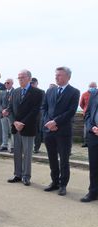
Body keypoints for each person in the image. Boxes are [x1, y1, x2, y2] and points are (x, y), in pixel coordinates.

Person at [42, 67, 80, 196]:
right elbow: (44, 108)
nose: (56, 77)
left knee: (64, 159)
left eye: (59, 75)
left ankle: (63, 185)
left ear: (68, 77)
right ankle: (55, 182)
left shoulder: (74, 92)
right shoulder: (50, 91)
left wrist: (56, 122)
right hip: (49, 131)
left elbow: (71, 111)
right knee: (52, 158)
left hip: (63, 131)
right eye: (56, 75)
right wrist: (49, 123)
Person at [5, 70, 43, 186]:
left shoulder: (37, 92)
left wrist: (22, 123)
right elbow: (10, 108)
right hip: (16, 127)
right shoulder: (15, 92)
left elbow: (35, 111)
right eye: (19, 77)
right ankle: (18, 174)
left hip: (28, 127)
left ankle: (26, 176)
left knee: (27, 153)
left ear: (29, 78)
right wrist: (15, 122)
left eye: (22, 77)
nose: (20, 79)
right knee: (16, 152)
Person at [81, 91, 98, 202]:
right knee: (94, 166)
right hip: (94, 135)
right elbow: (87, 115)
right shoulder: (94, 95)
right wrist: (92, 128)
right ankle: (93, 192)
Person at [0, 79, 14, 152]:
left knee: (12, 131)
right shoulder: (3, 92)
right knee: (4, 130)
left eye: (8, 83)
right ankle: (4, 145)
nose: (6, 84)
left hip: (11, 115)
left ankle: (13, 147)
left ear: (12, 83)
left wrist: (7, 110)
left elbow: (14, 103)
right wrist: (2, 110)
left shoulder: (15, 91)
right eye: (5, 83)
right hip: (3, 114)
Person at [30, 78, 45, 153]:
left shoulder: (41, 92)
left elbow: (43, 104)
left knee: (37, 131)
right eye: (31, 83)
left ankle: (36, 148)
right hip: (29, 115)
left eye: (33, 83)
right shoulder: (28, 92)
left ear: (37, 83)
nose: (32, 84)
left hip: (38, 115)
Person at [79, 82, 97, 147]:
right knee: (87, 128)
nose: (93, 88)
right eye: (92, 87)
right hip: (87, 114)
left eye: (94, 87)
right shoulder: (84, 94)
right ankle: (86, 142)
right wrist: (85, 109)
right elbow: (81, 104)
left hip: (95, 114)